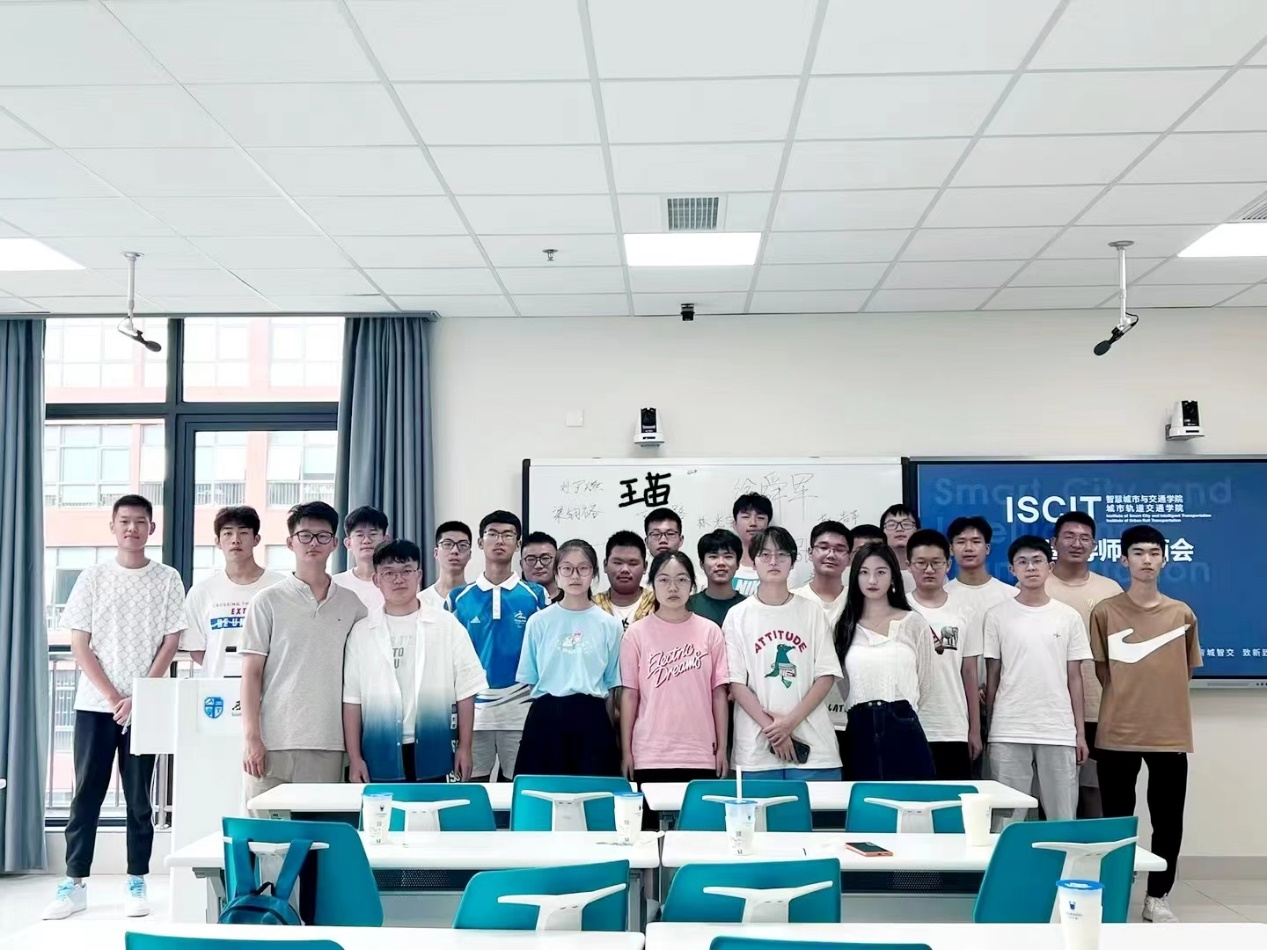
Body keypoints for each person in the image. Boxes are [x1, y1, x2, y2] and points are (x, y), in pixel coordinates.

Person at [44, 495, 186, 922]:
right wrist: (112, 697)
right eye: (124, 521)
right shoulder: (92, 577)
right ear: (112, 526)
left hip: (147, 705)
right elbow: (79, 643)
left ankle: (136, 879)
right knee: (87, 793)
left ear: (151, 529)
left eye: (140, 522)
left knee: (140, 798)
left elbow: (171, 641)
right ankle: (74, 882)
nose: (132, 529)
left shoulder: (168, 578)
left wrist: (140, 695)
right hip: (95, 705)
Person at [1090, 525, 1201, 924]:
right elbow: (1103, 671)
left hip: (1169, 733)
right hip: (1117, 732)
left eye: (1154, 553)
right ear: (1124, 559)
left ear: (1165, 560)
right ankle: (1116, 890)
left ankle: (1158, 897)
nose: (1147, 560)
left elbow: (1184, 671)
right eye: (1138, 553)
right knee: (1118, 819)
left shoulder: (1181, 613)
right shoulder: (1105, 612)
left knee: (1168, 820)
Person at [240, 502, 368, 803]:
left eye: (323, 536)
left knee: (320, 829)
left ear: (335, 544)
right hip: (272, 743)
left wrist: (354, 753)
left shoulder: (353, 605)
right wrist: (252, 738)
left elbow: (360, 683)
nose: (314, 543)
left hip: (329, 744)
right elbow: (251, 675)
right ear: (290, 542)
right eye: (305, 535)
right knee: (264, 830)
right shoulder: (267, 601)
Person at [343, 540, 486, 784]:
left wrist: (465, 746)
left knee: (435, 807)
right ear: (376, 580)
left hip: (436, 744)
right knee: (385, 809)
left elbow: (466, 691)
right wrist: (355, 758)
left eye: (406, 571)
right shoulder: (361, 632)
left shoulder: (447, 625)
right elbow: (352, 701)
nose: (398, 579)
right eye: (389, 573)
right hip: (379, 748)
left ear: (418, 575)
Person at [984, 535, 1090, 826]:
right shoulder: (996, 616)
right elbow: (993, 674)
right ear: (1012, 569)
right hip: (1009, 729)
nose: (1030, 567)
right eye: (1022, 562)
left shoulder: (1068, 617)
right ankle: (1009, 860)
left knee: (1062, 818)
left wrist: (1079, 734)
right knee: (1007, 820)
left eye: (1037, 561)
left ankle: (1061, 859)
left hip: (1057, 729)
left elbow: (1075, 677)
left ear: (1050, 567)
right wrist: (990, 727)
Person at [723, 526, 843, 781]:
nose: (773, 561)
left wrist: (788, 724)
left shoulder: (812, 611)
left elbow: (826, 675)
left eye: (781, 555)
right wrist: (774, 730)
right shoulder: (737, 615)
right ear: (753, 561)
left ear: (793, 562)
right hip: (756, 752)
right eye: (765, 554)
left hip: (814, 749)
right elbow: (736, 683)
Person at [447, 510, 551, 782]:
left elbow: (547, 653)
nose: (500, 540)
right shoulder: (458, 598)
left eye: (507, 535)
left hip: (521, 712)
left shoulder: (536, 595)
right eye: (492, 534)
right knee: (472, 790)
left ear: (518, 544)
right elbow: (448, 659)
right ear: (480, 542)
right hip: (474, 716)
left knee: (518, 789)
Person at [621, 551, 730, 797]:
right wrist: (627, 751)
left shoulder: (710, 631)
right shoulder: (636, 634)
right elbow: (630, 695)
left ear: (692, 585)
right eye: (664, 580)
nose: (673, 587)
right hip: (649, 754)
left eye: (681, 579)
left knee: (697, 821)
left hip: (700, 753)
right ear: (652, 584)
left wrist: (722, 748)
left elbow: (718, 694)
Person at [515, 539, 624, 776]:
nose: (575, 575)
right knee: (541, 791)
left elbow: (611, 686)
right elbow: (532, 680)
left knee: (594, 791)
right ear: (556, 573)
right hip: (546, 719)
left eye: (583, 568)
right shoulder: (538, 622)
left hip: (592, 719)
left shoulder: (610, 625)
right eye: (567, 568)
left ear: (594, 573)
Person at [835, 542, 936, 780]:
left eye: (880, 572)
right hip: (859, 727)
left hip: (903, 725)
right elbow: (843, 683)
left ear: (893, 577)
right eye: (864, 572)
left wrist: (900, 712)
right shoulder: (844, 626)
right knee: (863, 797)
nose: (872, 580)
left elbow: (926, 681)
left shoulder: (913, 623)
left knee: (911, 797)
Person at [1046, 511, 1124, 818]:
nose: (1076, 543)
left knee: (1095, 790)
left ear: (1094, 545)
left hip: (1098, 706)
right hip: (1049, 709)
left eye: (1084, 538)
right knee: (1050, 794)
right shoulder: (1036, 585)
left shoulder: (1110, 590)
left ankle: (1095, 850)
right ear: (1054, 542)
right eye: (1069, 536)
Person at [905, 529, 983, 779]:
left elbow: (969, 673)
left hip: (952, 727)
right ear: (909, 566)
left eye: (936, 563)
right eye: (921, 563)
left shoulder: (964, 611)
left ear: (948, 564)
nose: (929, 570)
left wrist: (974, 730)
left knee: (953, 798)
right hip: (907, 726)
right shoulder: (898, 609)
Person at [182, 506, 286, 678]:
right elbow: (197, 650)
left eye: (243, 533)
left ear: (256, 539)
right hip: (218, 688)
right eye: (228, 533)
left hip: (269, 687)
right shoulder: (202, 591)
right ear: (218, 541)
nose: (235, 540)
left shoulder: (280, 587)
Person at [945, 516, 1017, 615]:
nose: (969, 548)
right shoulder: (942, 596)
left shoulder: (1011, 595)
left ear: (987, 549)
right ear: (951, 550)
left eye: (976, 542)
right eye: (961, 542)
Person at [792, 520, 852, 627]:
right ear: (810, 553)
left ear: (849, 558)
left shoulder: (857, 601)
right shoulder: (792, 599)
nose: (831, 555)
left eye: (839, 549)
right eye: (824, 548)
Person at [593, 530, 656, 630]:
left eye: (633, 564)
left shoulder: (658, 605)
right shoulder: (591, 606)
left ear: (645, 567)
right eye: (618, 563)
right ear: (605, 565)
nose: (625, 570)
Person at [332, 506, 390, 612]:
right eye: (359, 535)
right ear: (348, 543)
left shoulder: (397, 582)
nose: (366, 540)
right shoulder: (335, 584)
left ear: (385, 541)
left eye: (373, 534)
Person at [687, 529, 747, 627]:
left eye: (728, 557)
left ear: (738, 564)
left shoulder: (747, 606)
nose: (721, 563)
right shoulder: (688, 606)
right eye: (713, 556)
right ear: (702, 564)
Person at [420, 521, 472, 610]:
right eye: (447, 544)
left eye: (462, 545)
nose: (455, 551)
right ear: (436, 553)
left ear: (470, 554)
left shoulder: (479, 600)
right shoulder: (421, 601)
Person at [730, 493, 773, 597]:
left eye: (760, 517)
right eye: (745, 516)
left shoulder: (778, 566)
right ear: (734, 524)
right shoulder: (724, 565)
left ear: (768, 525)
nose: (753, 523)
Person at [880, 504, 919, 591]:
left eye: (906, 524)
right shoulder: (875, 572)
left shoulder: (928, 571)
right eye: (891, 524)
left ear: (917, 531)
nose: (899, 529)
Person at [520, 530, 561, 602]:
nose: (538, 566)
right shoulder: (513, 603)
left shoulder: (571, 601)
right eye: (531, 559)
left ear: (557, 561)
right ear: (521, 565)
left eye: (545, 558)